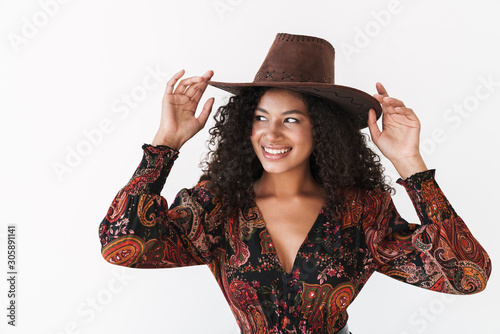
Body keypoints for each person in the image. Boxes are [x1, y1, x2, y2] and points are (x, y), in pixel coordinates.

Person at [98, 33, 491, 334]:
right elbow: (121, 245)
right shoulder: (217, 205)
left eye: (291, 119)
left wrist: (410, 164)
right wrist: (166, 143)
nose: (271, 134)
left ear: (321, 129)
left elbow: (467, 275)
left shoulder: (363, 211)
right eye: (260, 117)